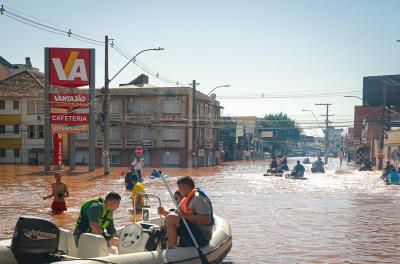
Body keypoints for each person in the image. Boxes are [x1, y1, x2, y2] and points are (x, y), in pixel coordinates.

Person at [158, 176, 214, 248]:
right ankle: (171, 244)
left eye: (180, 188)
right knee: (170, 217)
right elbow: (178, 215)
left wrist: (185, 216)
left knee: (170, 218)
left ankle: (171, 247)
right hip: (191, 231)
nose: (179, 190)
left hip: (202, 236)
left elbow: (206, 220)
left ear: (186, 187)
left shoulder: (199, 199)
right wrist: (164, 212)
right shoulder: (185, 199)